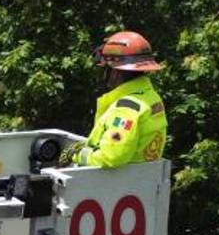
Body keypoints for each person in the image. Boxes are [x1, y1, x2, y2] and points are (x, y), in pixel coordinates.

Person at [62, 31, 167, 168]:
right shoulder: (150, 97)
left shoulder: (126, 109)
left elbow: (111, 157)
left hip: (119, 184)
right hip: (144, 180)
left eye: (105, 68)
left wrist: (76, 154)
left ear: (115, 71)